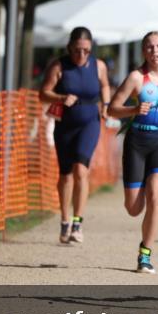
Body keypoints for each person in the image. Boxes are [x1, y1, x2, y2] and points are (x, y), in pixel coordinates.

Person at [107, 32, 158, 274]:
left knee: (156, 196)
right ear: (143, 52)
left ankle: (145, 254)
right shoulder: (136, 78)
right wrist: (134, 109)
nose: (155, 51)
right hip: (136, 142)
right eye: (149, 47)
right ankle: (135, 207)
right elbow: (112, 109)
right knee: (134, 208)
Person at [39, 27, 111, 244]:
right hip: (66, 125)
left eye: (86, 51)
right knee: (66, 175)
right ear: (70, 47)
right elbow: (43, 93)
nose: (82, 55)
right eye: (78, 50)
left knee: (81, 170)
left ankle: (77, 222)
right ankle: (64, 220)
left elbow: (105, 85)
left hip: (90, 122)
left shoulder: (98, 66)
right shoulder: (59, 66)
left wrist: (106, 104)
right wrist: (60, 97)